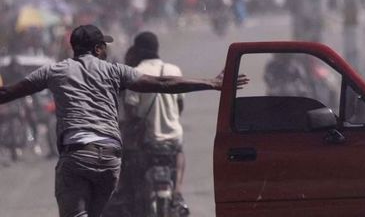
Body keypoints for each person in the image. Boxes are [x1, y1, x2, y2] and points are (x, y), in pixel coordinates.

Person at [0, 24, 247, 217]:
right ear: (97, 49)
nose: (106, 50)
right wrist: (212, 83)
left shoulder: (54, 71)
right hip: (110, 160)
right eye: (103, 46)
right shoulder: (114, 70)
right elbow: (163, 84)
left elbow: (9, 93)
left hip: (76, 156)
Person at [121, 31, 189, 215]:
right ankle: (178, 193)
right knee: (180, 154)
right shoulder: (174, 70)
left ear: (137, 50)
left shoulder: (135, 73)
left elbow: (130, 110)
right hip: (173, 137)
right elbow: (180, 105)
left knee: (136, 173)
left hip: (148, 140)